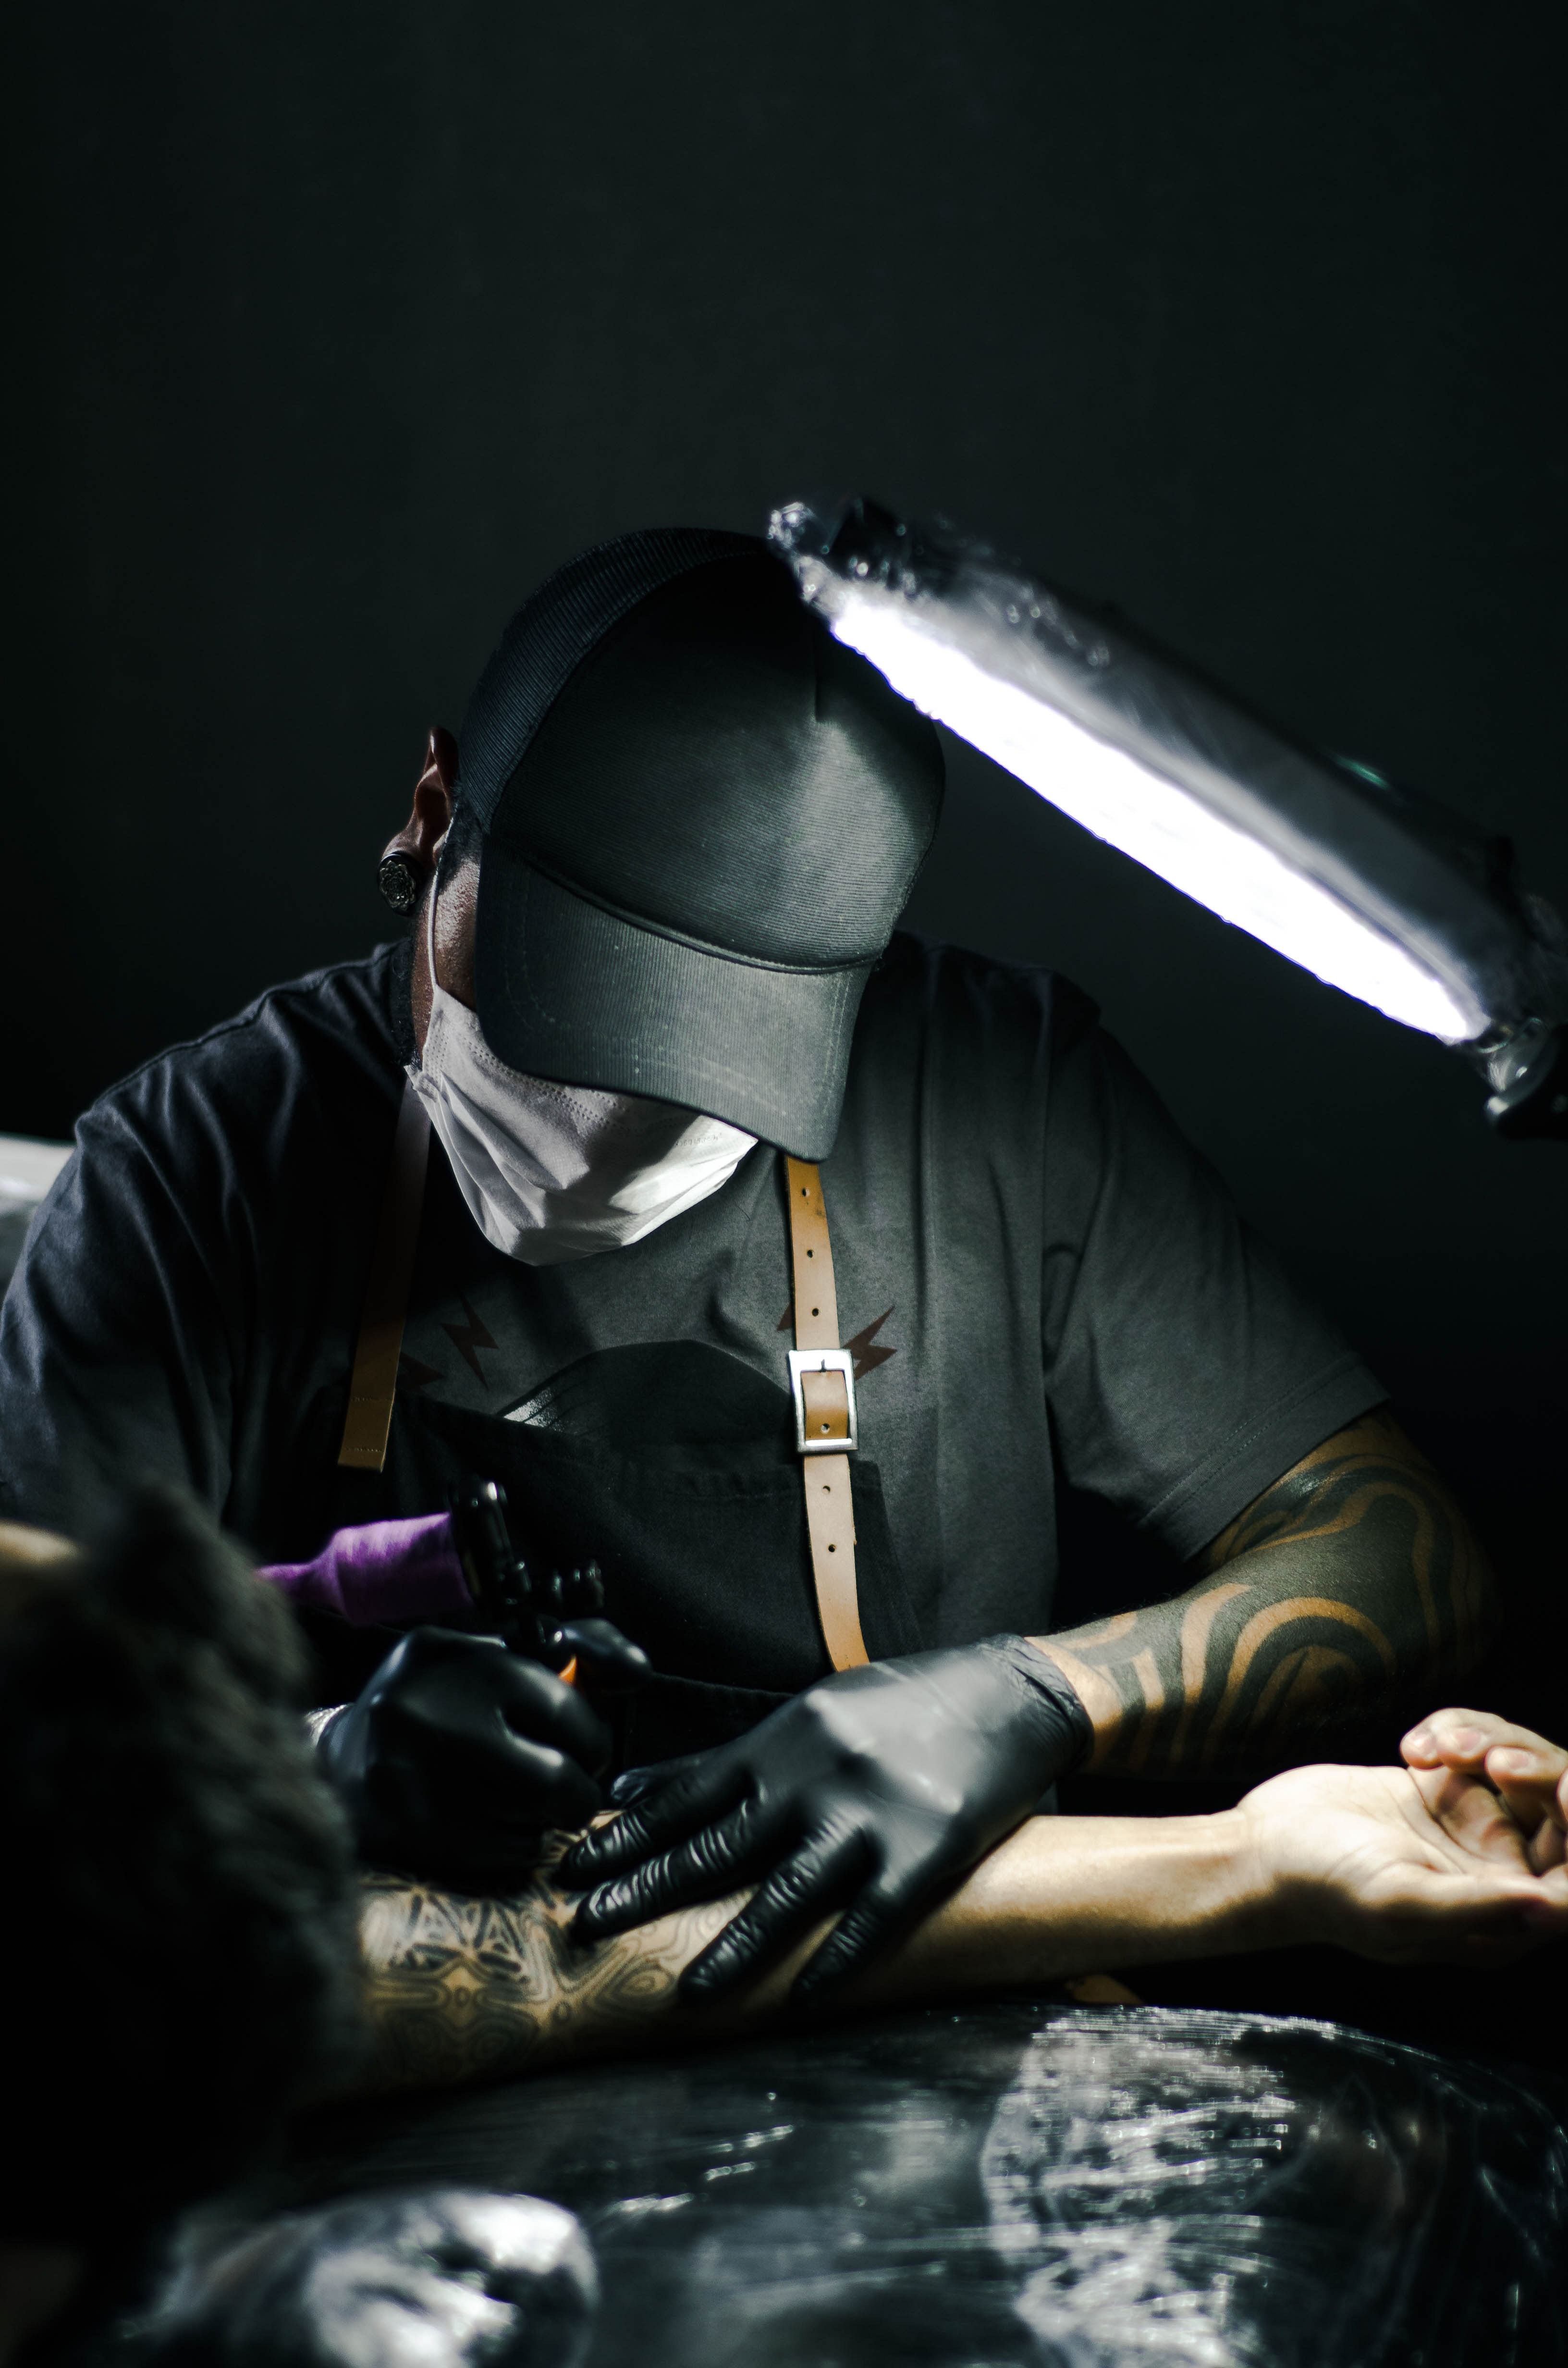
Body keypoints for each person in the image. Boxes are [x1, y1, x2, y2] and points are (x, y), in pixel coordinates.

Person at [0, 529, 1498, 2001]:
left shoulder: (999, 1096)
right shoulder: (194, 1168)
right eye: (551, 1025)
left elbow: (1398, 1555)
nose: (596, 1141)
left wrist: (1040, 1701)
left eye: (688, 1078)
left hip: (932, 2043)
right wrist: (318, 1760)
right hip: (425, 2053)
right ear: (435, 813)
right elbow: (36, 1730)